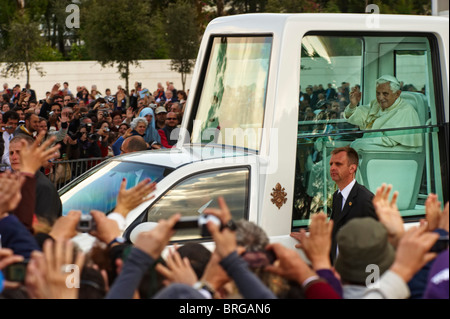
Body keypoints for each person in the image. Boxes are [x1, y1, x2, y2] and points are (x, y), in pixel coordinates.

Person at [345, 75, 422, 150]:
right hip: (375, 145)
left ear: (397, 94)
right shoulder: (377, 104)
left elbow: (388, 140)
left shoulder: (405, 111)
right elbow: (357, 116)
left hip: (394, 153)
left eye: (385, 94)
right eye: (378, 93)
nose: (380, 98)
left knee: (356, 146)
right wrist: (353, 105)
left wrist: (357, 143)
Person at [327, 146, 377, 264]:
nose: (332, 168)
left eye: (338, 164)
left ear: (352, 168)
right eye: (331, 164)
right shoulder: (337, 197)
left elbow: (376, 244)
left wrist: (371, 279)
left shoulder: (365, 199)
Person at [8, 133, 62, 227]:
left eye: (19, 152)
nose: (14, 157)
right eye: (11, 153)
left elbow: (43, 230)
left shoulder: (43, 187)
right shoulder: (13, 183)